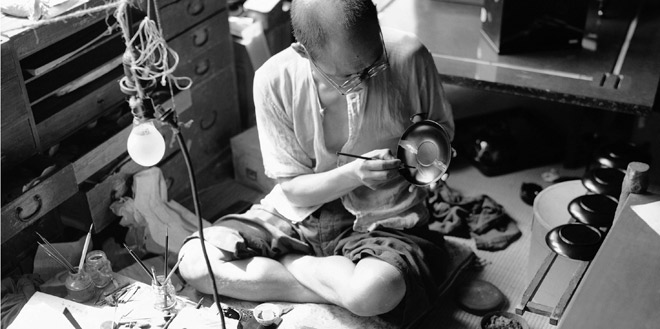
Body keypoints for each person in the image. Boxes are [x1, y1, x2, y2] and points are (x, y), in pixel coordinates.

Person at [178, 0, 455, 325]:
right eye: (348, 78)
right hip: (298, 216)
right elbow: (294, 192)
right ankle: (323, 277)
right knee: (195, 264)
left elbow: (440, 133)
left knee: (374, 292)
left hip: (384, 217)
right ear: (303, 52)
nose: (364, 83)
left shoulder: (409, 55)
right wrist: (354, 174)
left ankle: (299, 267)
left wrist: (424, 158)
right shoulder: (273, 81)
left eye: (373, 65)